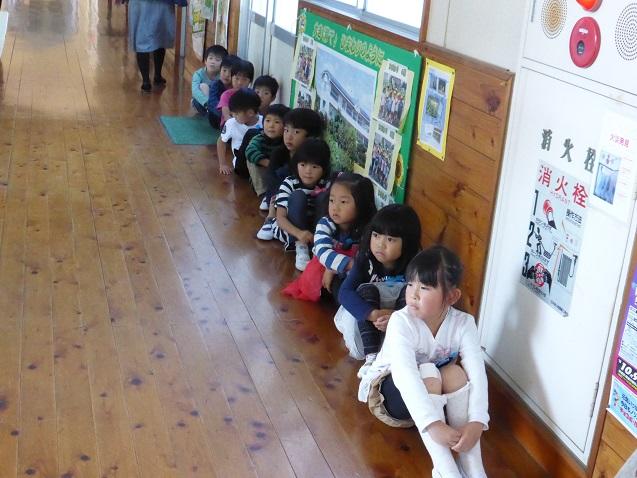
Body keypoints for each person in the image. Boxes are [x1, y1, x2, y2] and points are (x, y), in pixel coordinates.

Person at [358, 246, 489, 478]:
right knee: (429, 372)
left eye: (425, 287)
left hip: (431, 397)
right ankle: (446, 470)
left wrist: (478, 421)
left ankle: (474, 469)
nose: (413, 294)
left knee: (455, 373)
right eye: (410, 284)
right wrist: (432, 424)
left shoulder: (464, 323)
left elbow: (477, 373)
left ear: (451, 297)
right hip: (390, 397)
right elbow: (405, 377)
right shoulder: (401, 321)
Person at [336, 204, 421, 377]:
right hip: (369, 322)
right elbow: (344, 293)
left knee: (410, 291)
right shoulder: (365, 260)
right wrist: (372, 314)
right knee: (366, 290)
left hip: (398, 321)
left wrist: (397, 317)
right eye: (376, 235)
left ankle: (397, 354)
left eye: (390, 239)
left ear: (408, 243)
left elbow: (421, 302)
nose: (380, 244)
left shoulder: (416, 266)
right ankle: (372, 358)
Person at [282, 172, 376, 302]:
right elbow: (323, 252)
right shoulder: (325, 224)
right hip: (324, 267)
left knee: (362, 287)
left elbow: (367, 255)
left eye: (343, 202)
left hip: (352, 271)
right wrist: (344, 265)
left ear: (361, 204)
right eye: (332, 200)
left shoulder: (367, 229)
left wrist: (341, 269)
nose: (335, 208)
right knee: (338, 289)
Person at [258, 139, 331, 272]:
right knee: (298, 196)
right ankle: (300, 246)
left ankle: (318, 243)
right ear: (296, 164)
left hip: (312, 231)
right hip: (291, 229)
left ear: (324, 169)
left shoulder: (326, 184)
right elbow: (281, 219)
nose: (308, 171)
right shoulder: (289, 183)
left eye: (315, 167)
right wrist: (299, 233)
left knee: (325, 197)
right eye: (303, 164)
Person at [258, 108, 324, 214]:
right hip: (280, 200)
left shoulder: (314, 159)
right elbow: (272, 181)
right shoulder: (279, 153)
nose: (288, 137)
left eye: (296, 132)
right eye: (286, 130)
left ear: (310, 137)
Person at [244, 104, 290, 209]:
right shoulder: (260, 138)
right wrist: (268, 163)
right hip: (262, 176)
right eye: (268, 121)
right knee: (251, 160)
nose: (271, 125)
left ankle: (280, 193)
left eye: (277, 122)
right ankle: (265, 194)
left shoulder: (286, 141)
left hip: (279, 176)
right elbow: (249, 150)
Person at [126, 0, 175, 93]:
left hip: (141, 4)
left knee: (142, 38)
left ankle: (147, 81)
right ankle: (156, 76)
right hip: (160, 4)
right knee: (159, 36)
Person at [216, 88, 262, 175]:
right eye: (233, 113)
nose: (233, 116)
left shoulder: (264, 122)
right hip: (241, 163)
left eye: (236, 114)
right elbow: (221, 142)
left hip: (259, 160)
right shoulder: (231, 123)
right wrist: (222, 164)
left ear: (250, 113)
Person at [192, 45, 228, 115]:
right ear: (205, 61)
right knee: (203, 86)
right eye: (210, 58)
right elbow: (195, 91)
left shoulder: (222, 75)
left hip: (217, 103)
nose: (213, 62)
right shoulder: (198, 74)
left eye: (217, 60)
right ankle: (209, 112)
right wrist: (207, 103)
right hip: (202, 102)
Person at [217, 59, 254, 128]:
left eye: (244, 79)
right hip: (229, 125)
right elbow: (226, 116)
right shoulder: (226, 95)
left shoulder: (251, 95)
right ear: (231, 77)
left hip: (246, 126)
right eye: (237, 78)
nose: (240, 83)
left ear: (250, 81)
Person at [208, 54, 238, 129]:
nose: (227, 75)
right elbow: (212, 102)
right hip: (217, 115)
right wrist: (225, 111)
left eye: (231, 72)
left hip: (234, 115)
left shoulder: (236, 87)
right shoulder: (215, 84)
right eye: (224, 70)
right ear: (220, 70)